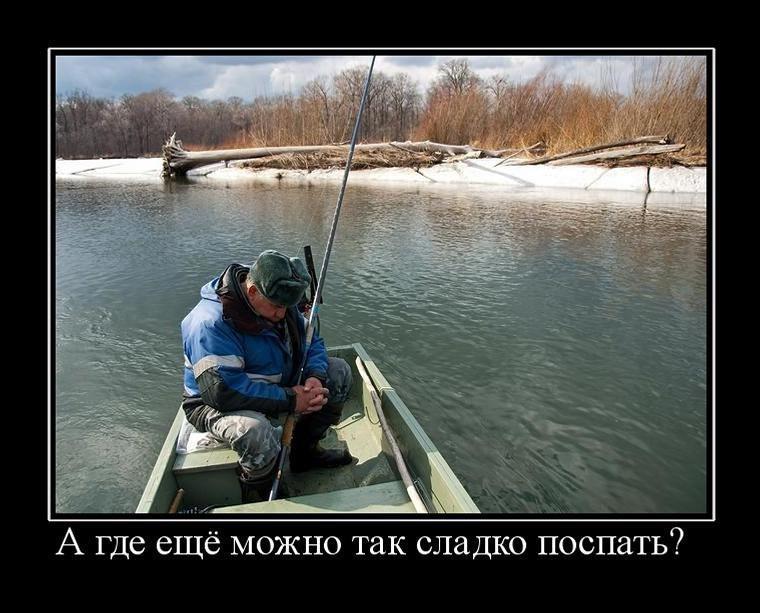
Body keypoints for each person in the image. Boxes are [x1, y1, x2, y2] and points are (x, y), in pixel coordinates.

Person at [180, 249, 354, 502]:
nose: (282, 314)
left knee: (338, 372)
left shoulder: (278, 298)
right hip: (213, 402)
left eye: (287, 307)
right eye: (276, 307)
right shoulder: (209, 324)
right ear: (252, 292)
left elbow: (312, 341)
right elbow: (222, 391)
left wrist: (315, 376)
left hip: (277, 385)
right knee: (253, 430)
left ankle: (305, 455)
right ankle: (261, 489)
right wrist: (291, 399)